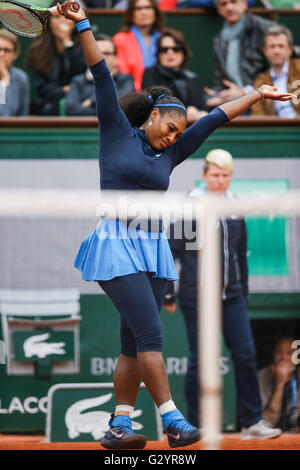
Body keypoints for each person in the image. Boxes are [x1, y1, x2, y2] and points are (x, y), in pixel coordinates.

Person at [57, 1, 294, 450]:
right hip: (115, 242)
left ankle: (119, 424)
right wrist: (84, 22)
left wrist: (259, 95)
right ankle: (173, 421)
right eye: (169, 128)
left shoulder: (171, 151)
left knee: (132, 344)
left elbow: (216, 119)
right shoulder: (114, 130)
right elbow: (101, 71)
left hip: (150, 245)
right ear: (152, 116)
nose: (173, 137)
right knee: (150, 334)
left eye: (177, 133)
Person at [163, 149, 282, 439]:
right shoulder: (191, 205)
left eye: (225, 175)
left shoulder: (234, 206)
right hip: (197, 297)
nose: (220, 180)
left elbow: (240, 254)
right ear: (205, 176)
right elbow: (170, 250)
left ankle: (252, 422)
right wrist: (168, 292)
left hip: (233, 296)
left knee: (245, 354)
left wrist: (244, 292)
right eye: (215, 174)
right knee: (201, 360)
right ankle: (195, 425)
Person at [205, 0, 274, 109]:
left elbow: (278, 75)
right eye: (223, 4)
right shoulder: (219, 39)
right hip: (233, 97)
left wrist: (244, 91)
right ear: (219, 10)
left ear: (245, 4)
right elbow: (220, 79)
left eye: (234, 2)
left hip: (263, 98)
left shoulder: (265, 29)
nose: (229, 7)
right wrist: (218, 94)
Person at [26, 10, 86, 115]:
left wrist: (67, 43)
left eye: (67, 17)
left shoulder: (84, 47)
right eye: (57, 17)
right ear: (49, 22)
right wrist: (63, 90)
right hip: (48, 106)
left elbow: (81, 74)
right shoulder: (37, 50)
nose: (62, 22)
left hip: (79, 104)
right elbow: (41, 88)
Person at [142, 29, 207, 122]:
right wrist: (185, 112)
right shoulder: (150, 74)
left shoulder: (192, 78)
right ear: (159, 54)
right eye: (164, 50)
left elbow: (202, 109)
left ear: (183, 52)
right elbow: (154, 107)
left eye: (176, 49)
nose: (170, 52)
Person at [66, 34, 134, 116]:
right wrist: (107, 108)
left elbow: (124, 104)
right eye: (96, 53)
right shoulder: (78, 81)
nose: (102, 57)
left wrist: (92, 102)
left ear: (115, 57)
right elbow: (71, 109)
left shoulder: (126, 79)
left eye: (107, 53)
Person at [113, 0, 164, 91]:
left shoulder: (164, 38)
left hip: (162, 94)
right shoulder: (120, 39)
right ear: (131, 14)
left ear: (155, 12)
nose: (144, 12)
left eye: (148, 7)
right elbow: (122, 73)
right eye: (138, 8)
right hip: (132, 94)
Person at [252, 25, 300, 117]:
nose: (276, 51)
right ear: (265, 51)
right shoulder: (260, 82)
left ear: (290, 50)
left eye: (281, 46)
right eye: (272, 46)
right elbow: (258, 115)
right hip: (276, 129)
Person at [259, 336, 300, 432]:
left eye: (289, 353)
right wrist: (279, 385)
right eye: (279, 352)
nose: (283, 357)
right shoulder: (260, 377)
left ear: (298, 357)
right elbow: (267, 423)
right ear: (273, 355)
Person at [0, 29, 30, 117]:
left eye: (7, 50)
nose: (1, 54)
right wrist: (4, 82)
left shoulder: (20, 78)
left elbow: (22, 117)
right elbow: (2, 115)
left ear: (15, 55)